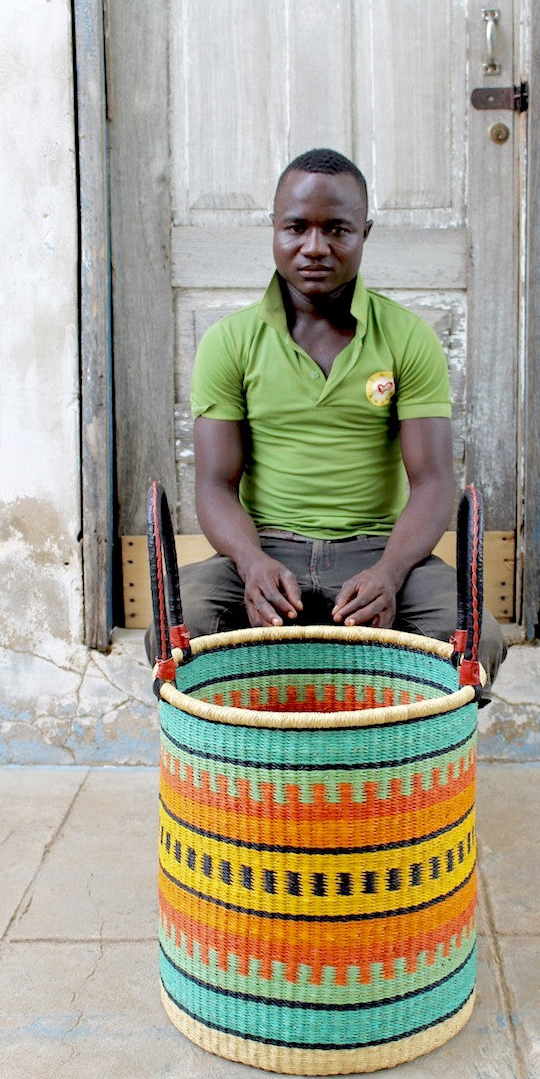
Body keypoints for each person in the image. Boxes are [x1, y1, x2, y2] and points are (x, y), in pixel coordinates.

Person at [146, 148, 506, 688]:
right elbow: (215, 487)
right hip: (267, 547)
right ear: (274, 228)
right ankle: (252, 764)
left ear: (365, 233)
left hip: (377, 551)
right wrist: (250, 563)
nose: (315, 247)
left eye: (337, 229)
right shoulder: (231, 342)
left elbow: (432, 482)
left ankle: (390, 761)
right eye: (296, 227)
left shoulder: (407, 337)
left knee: (477, 639)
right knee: (179, 632)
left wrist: (389, 572)